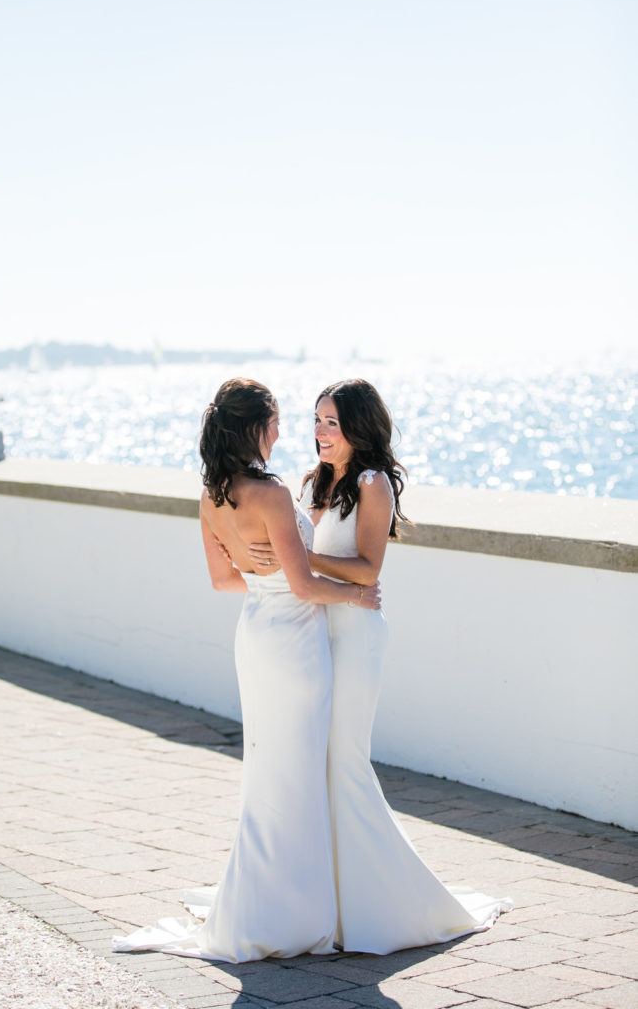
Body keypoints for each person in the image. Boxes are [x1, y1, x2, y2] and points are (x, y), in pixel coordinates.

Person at [113, 377, 380, 963]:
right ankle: (293, 914)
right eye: (279, 420)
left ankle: (265, 903)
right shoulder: (274, 494)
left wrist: (269, 580)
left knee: (267, 770)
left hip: (256, 635)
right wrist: (355, 597)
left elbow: (223, 580)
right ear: (255, 428)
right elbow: (306, 585)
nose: (286, 431)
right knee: (298, 770)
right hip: (295, 646)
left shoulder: (212, 495)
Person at [250, 378, 512, 953]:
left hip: (359, 630)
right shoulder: (312, 481)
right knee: (315, 760)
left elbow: (368, 570)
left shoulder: (373, 485)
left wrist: (299, 557)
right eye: (316, 420)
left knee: (345, 759)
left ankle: (382, 903)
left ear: (358, 428)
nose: (320, 432)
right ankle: (327, 900)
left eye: (332, 423)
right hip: (314, 631)